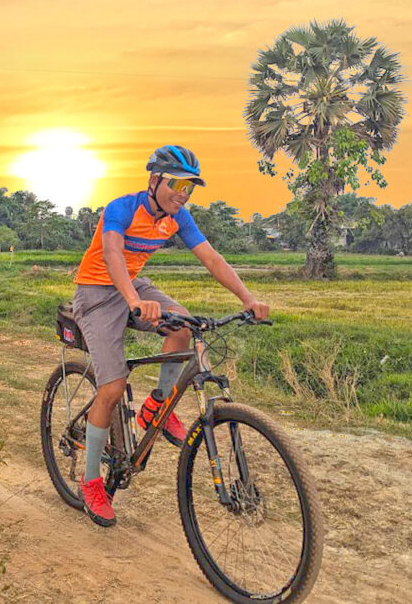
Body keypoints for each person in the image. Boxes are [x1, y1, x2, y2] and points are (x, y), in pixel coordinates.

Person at [72, 145, 270, 528]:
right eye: (176, 183)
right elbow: (112, 254)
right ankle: (91, 479)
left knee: (183, 323)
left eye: (190, 187)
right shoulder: (122, 209)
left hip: (134, 287)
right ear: (154, 180)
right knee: (111, 389)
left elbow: (211, 257)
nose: (183, 193)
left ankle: (157, 408)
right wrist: (133, 301)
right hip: (97, 294)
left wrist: (248, 299)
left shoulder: (177, 218)